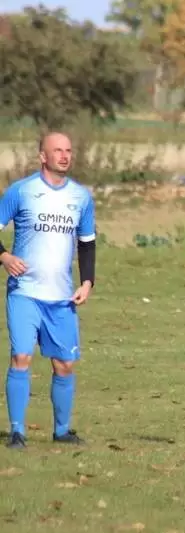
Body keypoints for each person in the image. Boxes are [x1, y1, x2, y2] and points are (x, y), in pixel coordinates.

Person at [1, 132, 96, 449]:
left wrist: (87, 282)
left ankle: (62, 431)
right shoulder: (21, 191)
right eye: (57, 150)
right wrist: (4, 257)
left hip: (61, 298)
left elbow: (87, 243)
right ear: (43, 156)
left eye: (68, 150)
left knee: (64, 365)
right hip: (25, 293)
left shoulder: (81, 197)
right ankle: (17, 432)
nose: (64, 155)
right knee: (21, 357)